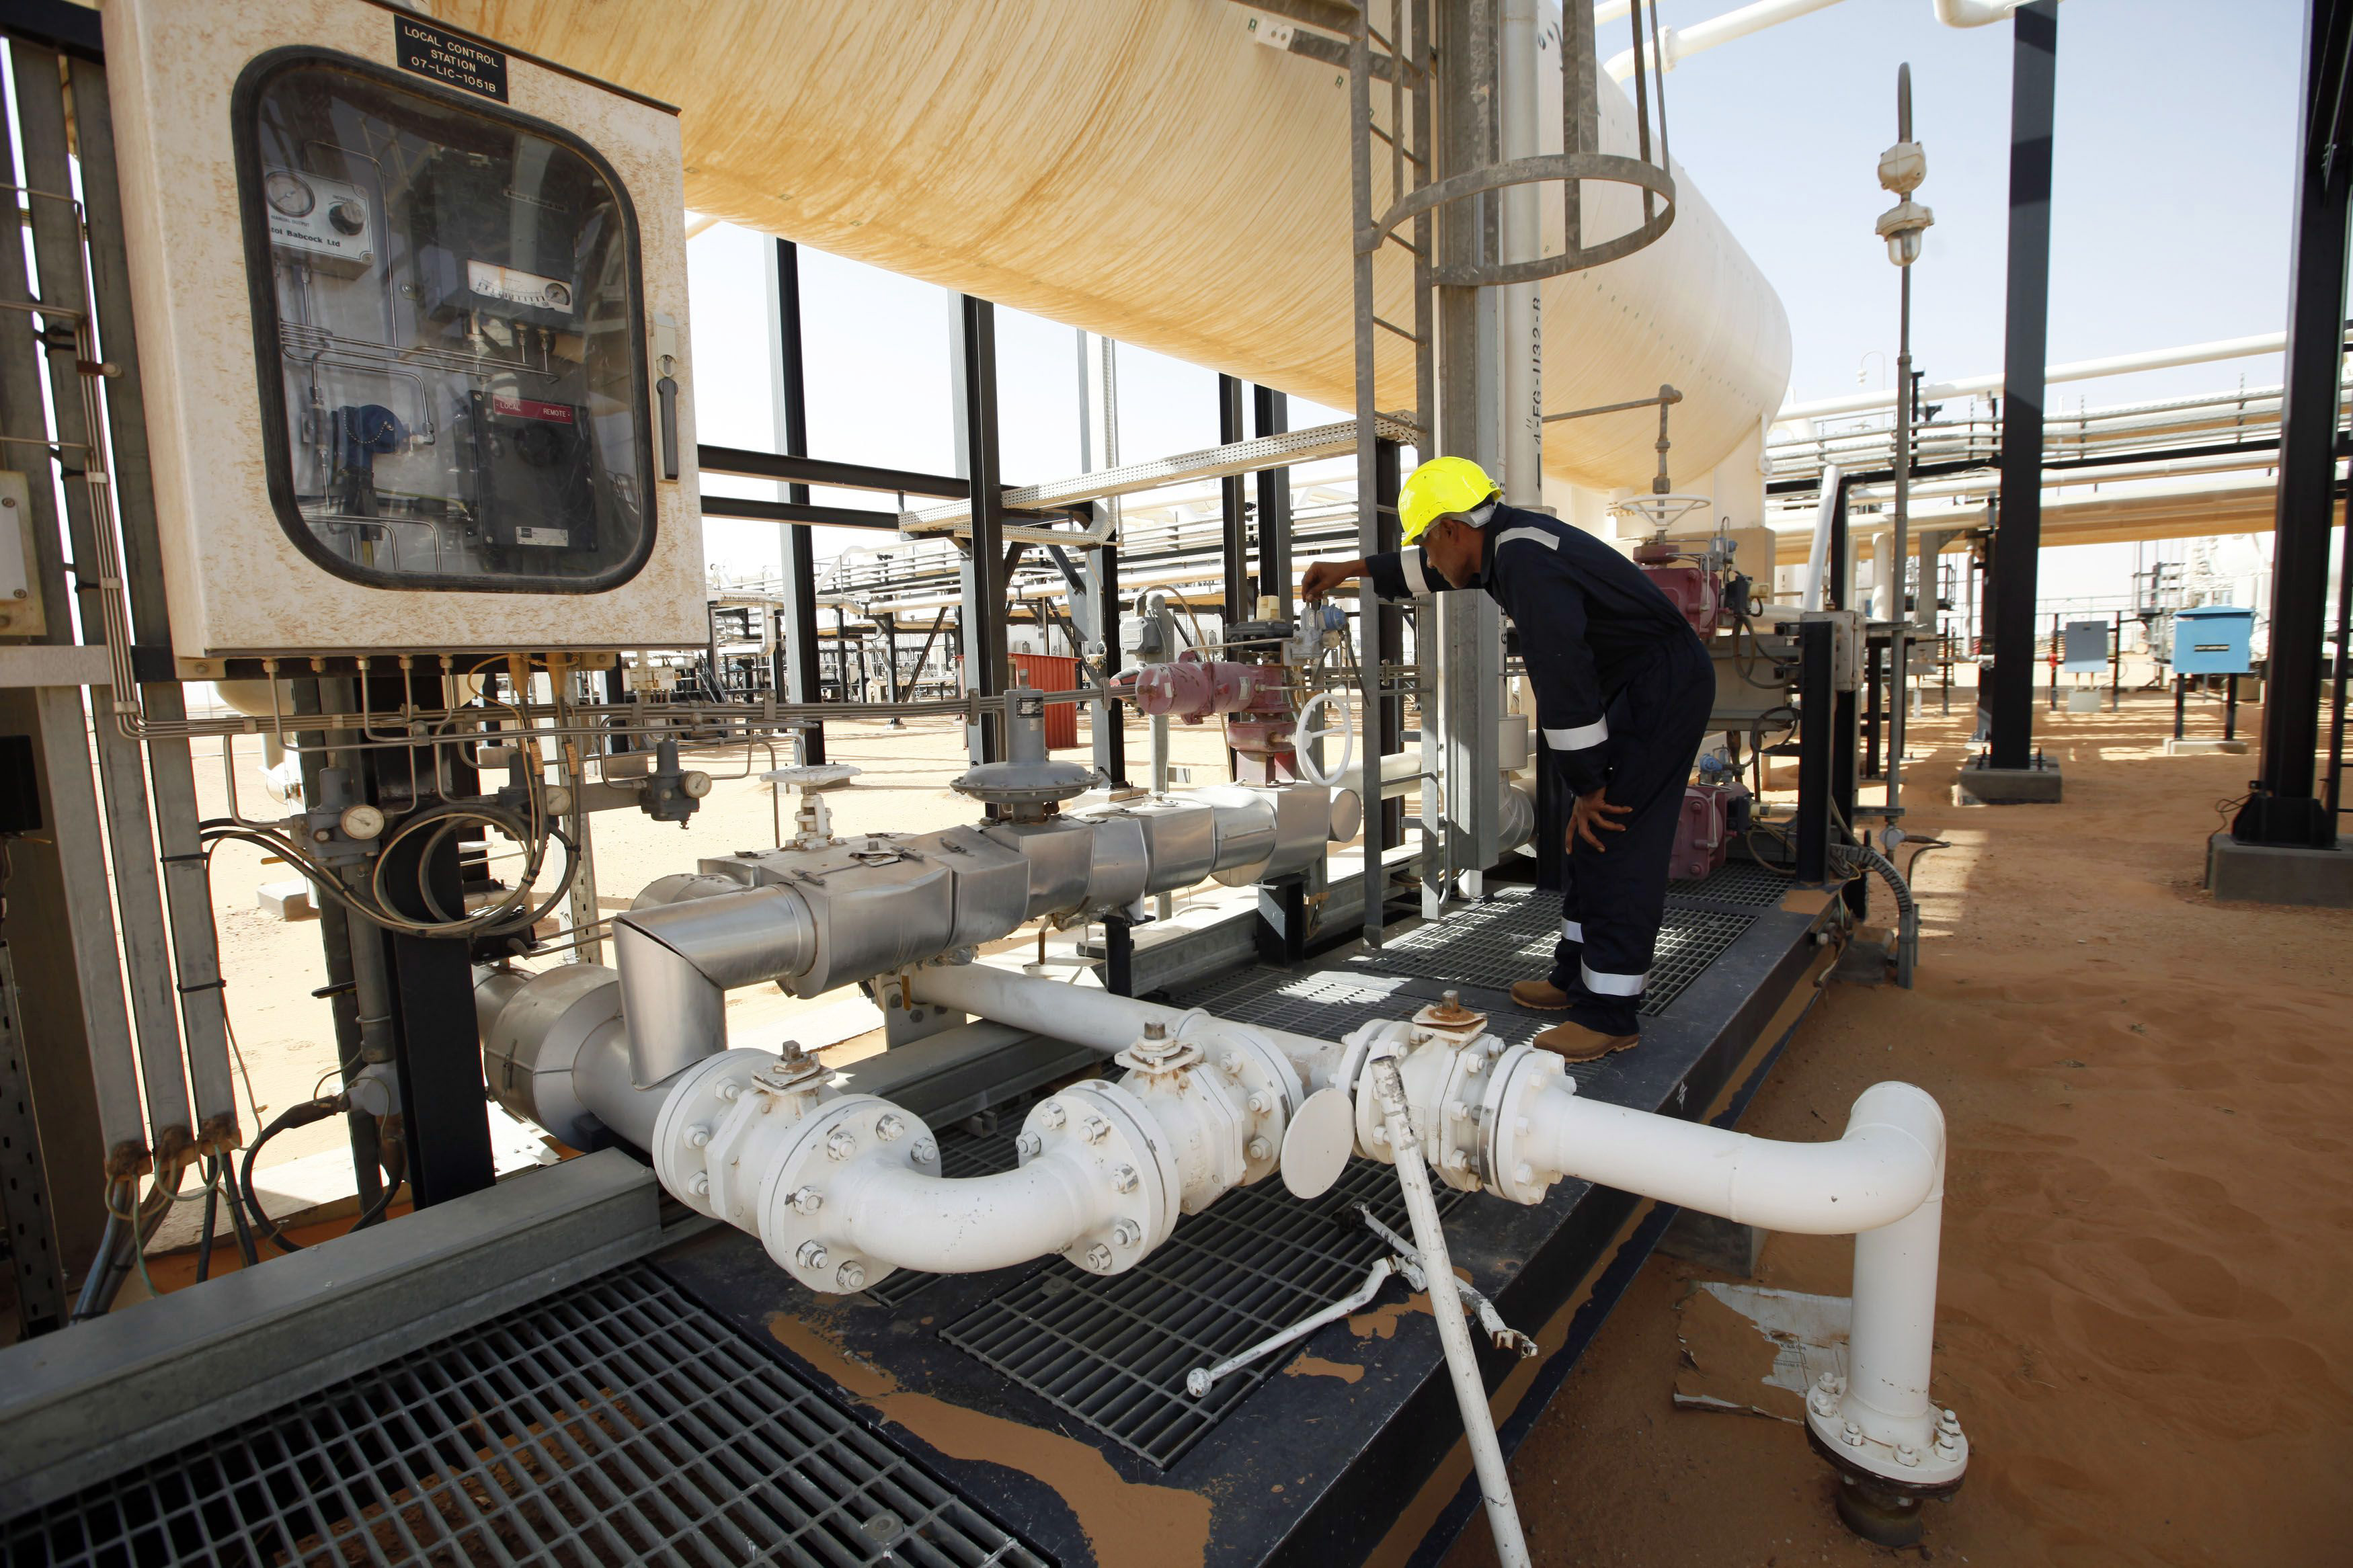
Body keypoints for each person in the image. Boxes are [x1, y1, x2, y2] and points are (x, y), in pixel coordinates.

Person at [1300, 456, 1713, 1061]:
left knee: (1617, 832)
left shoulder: (1525, 562)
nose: (1429, 555)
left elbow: (1563, 678)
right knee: (1590, 831)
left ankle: (1610, 1013)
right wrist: (1350, 569)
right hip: (1633, 682)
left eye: (1427, 539)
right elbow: (1433, 572)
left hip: (1662, 687)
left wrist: (1591, 784)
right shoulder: (1502, 543)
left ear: (1451, 528)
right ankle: (1574, 977)